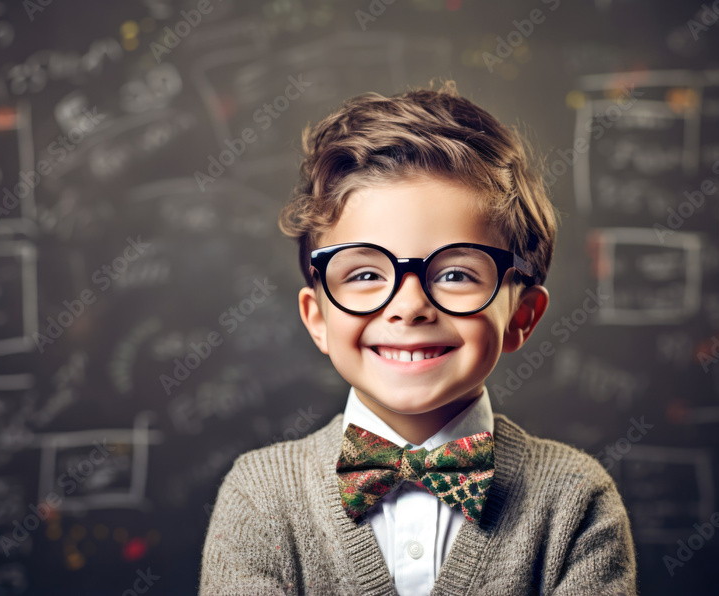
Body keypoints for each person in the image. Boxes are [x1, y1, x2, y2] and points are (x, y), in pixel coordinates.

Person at [199, 79, 637, 595]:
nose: (409, 307)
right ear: (317, 319)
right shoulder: (260, 497)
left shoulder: (575, 500)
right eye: (364, 275)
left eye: (456, 274)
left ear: (521, 316)